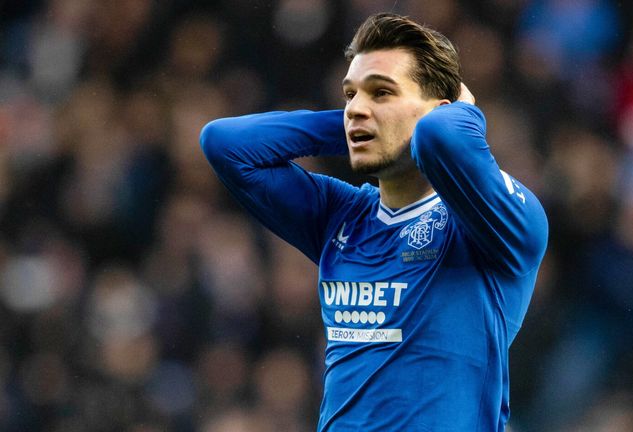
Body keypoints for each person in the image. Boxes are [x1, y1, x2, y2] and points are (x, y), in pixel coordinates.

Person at [200, 12, 548, 432]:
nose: (356, 108)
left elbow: (442, 139)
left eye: (381, 92)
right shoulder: (340, 216)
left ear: (440, 112)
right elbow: (225, 144)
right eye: (350, 95)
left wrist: (460, 113)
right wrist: (361, 123)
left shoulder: (492, 226)